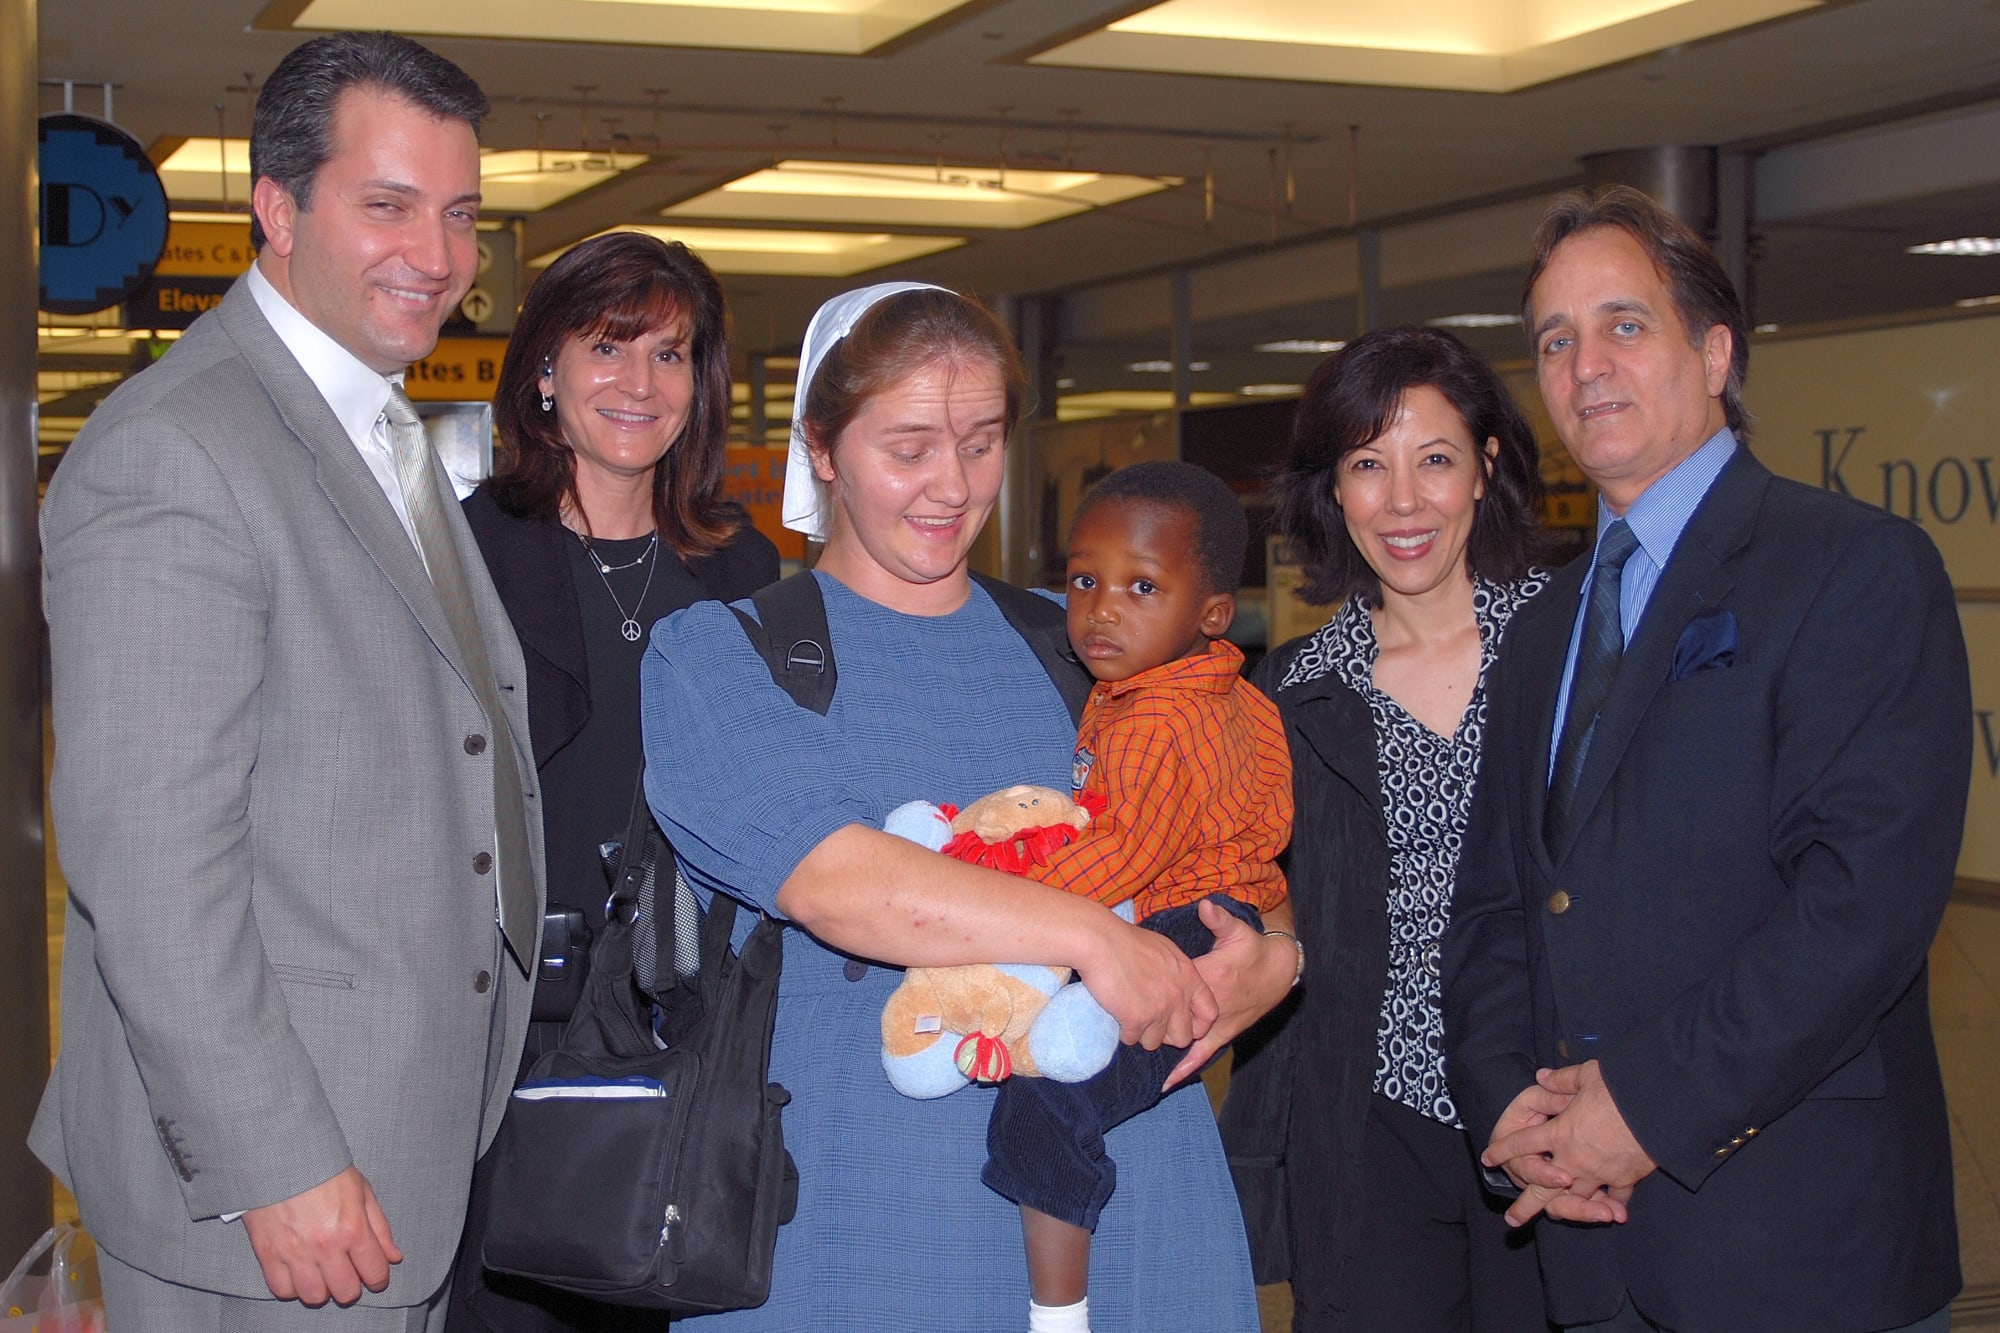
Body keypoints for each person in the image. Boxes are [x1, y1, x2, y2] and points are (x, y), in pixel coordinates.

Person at [639, 281, 1300, 1331]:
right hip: (861, 1223)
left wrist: (1271, 952)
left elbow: (1224, 835)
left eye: (981, 441)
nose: (951, 485)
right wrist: (1096, 937)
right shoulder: (719, 656)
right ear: (821, 447)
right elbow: (842, 884)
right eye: (908, 446)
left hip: (1130, 1207)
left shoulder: (1084, 641)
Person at [32, 31, 542, 1331]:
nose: (434, 257)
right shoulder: (181, 452)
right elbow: (147, 860)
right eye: (387, 206)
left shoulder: (374, 423)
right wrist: (278, 1157)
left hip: (391, 1156)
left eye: (460, 217)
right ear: (275, 207)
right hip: (282, 1201)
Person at [1441, 185, 1970, 1333]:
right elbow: (1497, 903)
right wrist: (1512, 1119)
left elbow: (1859, 907)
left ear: (1715, 351)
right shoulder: (1542, 625)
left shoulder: (1853, 571)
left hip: (1790, 1245)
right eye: (1553, 340)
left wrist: (1635, 1108)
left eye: (1623, 325)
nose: (1586, 366)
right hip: (1584, 1247)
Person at [449, 232, 779, 1329]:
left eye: (671, 355)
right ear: (543, 369)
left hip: (684, 1027)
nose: (640, 385)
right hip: (509, 1033)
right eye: (606, 347)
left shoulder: (739, 567)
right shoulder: (467, 553)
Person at [1219, 326, 1557, 1332]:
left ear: (1486, 468)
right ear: (1331, 489)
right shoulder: (1290, 694)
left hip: (1555, 1116)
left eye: (1434, 460)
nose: (1402, 502)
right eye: (1367, 465)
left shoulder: (1569, 645)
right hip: (1370, 1127)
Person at [961, 460, 1293, 1333]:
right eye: (1083, 578)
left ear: (1211, 612)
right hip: (1225, 913)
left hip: (1182, 926)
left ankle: (1058, 1314)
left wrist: (997, 892)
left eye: (1142, 586)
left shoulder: (1153, 717)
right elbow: (1272, 813)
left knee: (1047, 1102)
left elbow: (1122, 855)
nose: (1102, 607)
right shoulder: (1230, 694)